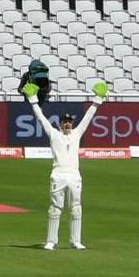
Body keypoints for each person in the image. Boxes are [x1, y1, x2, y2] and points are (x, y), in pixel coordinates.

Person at [29, 93, 106, 251]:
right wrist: (33, 101)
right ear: (60, 124)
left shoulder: (77, 134)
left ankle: (75, 241)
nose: (68, 125)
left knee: (76, 208)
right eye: (65, 122)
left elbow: (88, 118)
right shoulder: (54, 134)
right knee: (55, 208)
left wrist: (97, 100)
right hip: (58, 174)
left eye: (69, 122)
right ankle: (51, 241)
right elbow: (41, 118)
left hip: (74, 175)